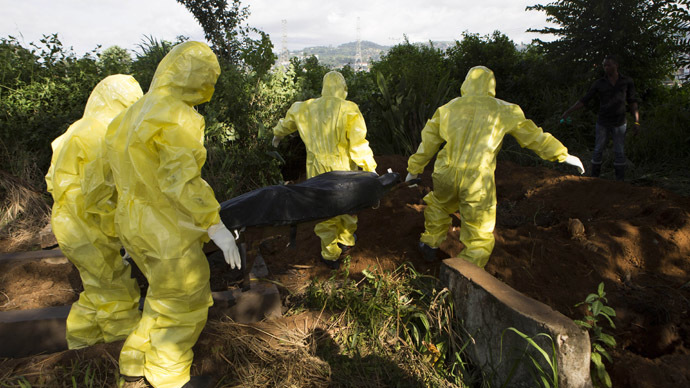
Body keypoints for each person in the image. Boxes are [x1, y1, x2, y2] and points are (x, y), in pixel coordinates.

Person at [105, 41, 240, 388]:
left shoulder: (128, 115)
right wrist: (214, 224)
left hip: (133, 224)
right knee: (185, 299)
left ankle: (134, 361)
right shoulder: (175, 114)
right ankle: (169, 378)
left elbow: (115, 176)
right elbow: (181, 180)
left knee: (160, 294)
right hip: (165, 229)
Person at [405, 66, 584, 268]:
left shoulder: (448, 109)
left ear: (466, 83)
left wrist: (414, 169)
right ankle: (464, 274)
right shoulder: (504, 109)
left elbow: (428, 142)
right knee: (479, 233)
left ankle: (429, 244)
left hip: (445, 172)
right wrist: (563, 154)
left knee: (439, 205)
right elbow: (534, 137)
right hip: (477, 179)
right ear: (492, 85)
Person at [46, 74, 143, 350]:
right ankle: (126, 359)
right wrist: (122, 234)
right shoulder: (101, 136)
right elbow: (100, 198)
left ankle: (81, 346)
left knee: (96, 289)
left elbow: (54, 179)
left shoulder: (78, 129)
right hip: (89, 229)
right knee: (117, 294)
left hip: (69, 223)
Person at [272, 71, 377, 270]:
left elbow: (286, 125)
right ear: (343, 89)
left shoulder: (304, 108)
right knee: (349, 205)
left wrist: (277, 135)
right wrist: (370, 168)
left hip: (317, 168)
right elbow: (358, 143)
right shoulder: (349, 109)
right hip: (344, 168)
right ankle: (346, 241)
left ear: (323, 88)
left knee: (324, 210)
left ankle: (330, 255)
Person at [561, 55, 640, 181]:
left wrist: (637, 121)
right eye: (604, 65)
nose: (606, 67)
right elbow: (585, 100)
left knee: (619, 151)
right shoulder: (599, 83)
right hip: (603, 121)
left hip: (620, 122)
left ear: (616, 65)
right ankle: (594, 179)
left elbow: (632, 102)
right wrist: (568, 111)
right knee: (598, 149)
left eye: (609, 65)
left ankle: (620, 182)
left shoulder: (626, 82)